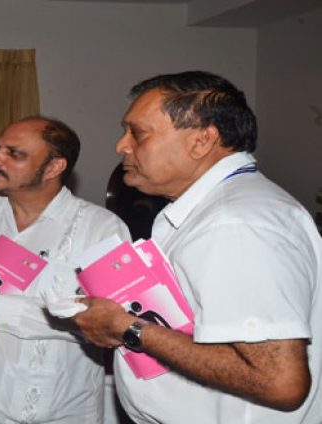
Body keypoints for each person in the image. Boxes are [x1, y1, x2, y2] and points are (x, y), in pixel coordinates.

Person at [73, 71, 322, 423]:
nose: (121, 146)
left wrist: (129, 329)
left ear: (202, 141)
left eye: (138, 133)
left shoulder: (235, 223)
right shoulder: (218, 209)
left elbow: (279, 382)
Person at [0, 117, 130, 423]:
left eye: (13, 154)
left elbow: (112, 323)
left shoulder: (101, 228)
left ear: (54, 167)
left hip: (51, 408)